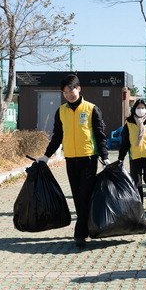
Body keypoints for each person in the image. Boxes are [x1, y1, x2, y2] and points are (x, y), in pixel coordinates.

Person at [37, 74, 109, 248]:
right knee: (78, 197)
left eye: (71, 90)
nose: (69, 94)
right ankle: (87, 227)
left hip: (88, 158)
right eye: (65, 92)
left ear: (79, 89)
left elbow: (100, 135)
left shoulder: (91, 109)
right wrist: (46, 156)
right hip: (71, 159)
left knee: (84, 195)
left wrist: (105, 157)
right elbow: (57, 136)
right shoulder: (61, 111)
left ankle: (80, 234)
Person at [118, 100, 146, 210]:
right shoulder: (129, 123)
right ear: (134, 109)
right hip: (135, 156)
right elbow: (125, 142)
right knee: (136, 181)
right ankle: (139, 203)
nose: (140, 109)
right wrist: (120, 158)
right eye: (138, 107)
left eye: (142, 107)